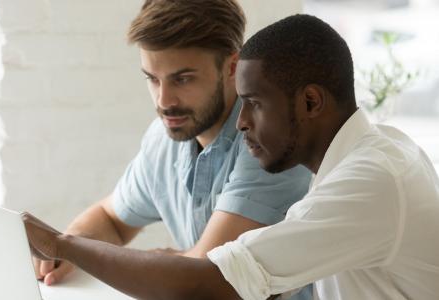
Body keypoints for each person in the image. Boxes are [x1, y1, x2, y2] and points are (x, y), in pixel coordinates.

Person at [25, 14, 439, 299]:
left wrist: (64, 245)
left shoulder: (372, 178)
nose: (241, 124)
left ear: (311, 101)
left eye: (255, 104)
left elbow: (209, 285)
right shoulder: (352, 163)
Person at [32, 0, 311, 297]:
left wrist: (77, 249)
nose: (164, 101)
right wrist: (67, 248)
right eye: (153, 79)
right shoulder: (164, 139)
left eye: (183, 79)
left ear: (232, 67)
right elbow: (112, 220)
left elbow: (204, 276)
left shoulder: (268, 144)